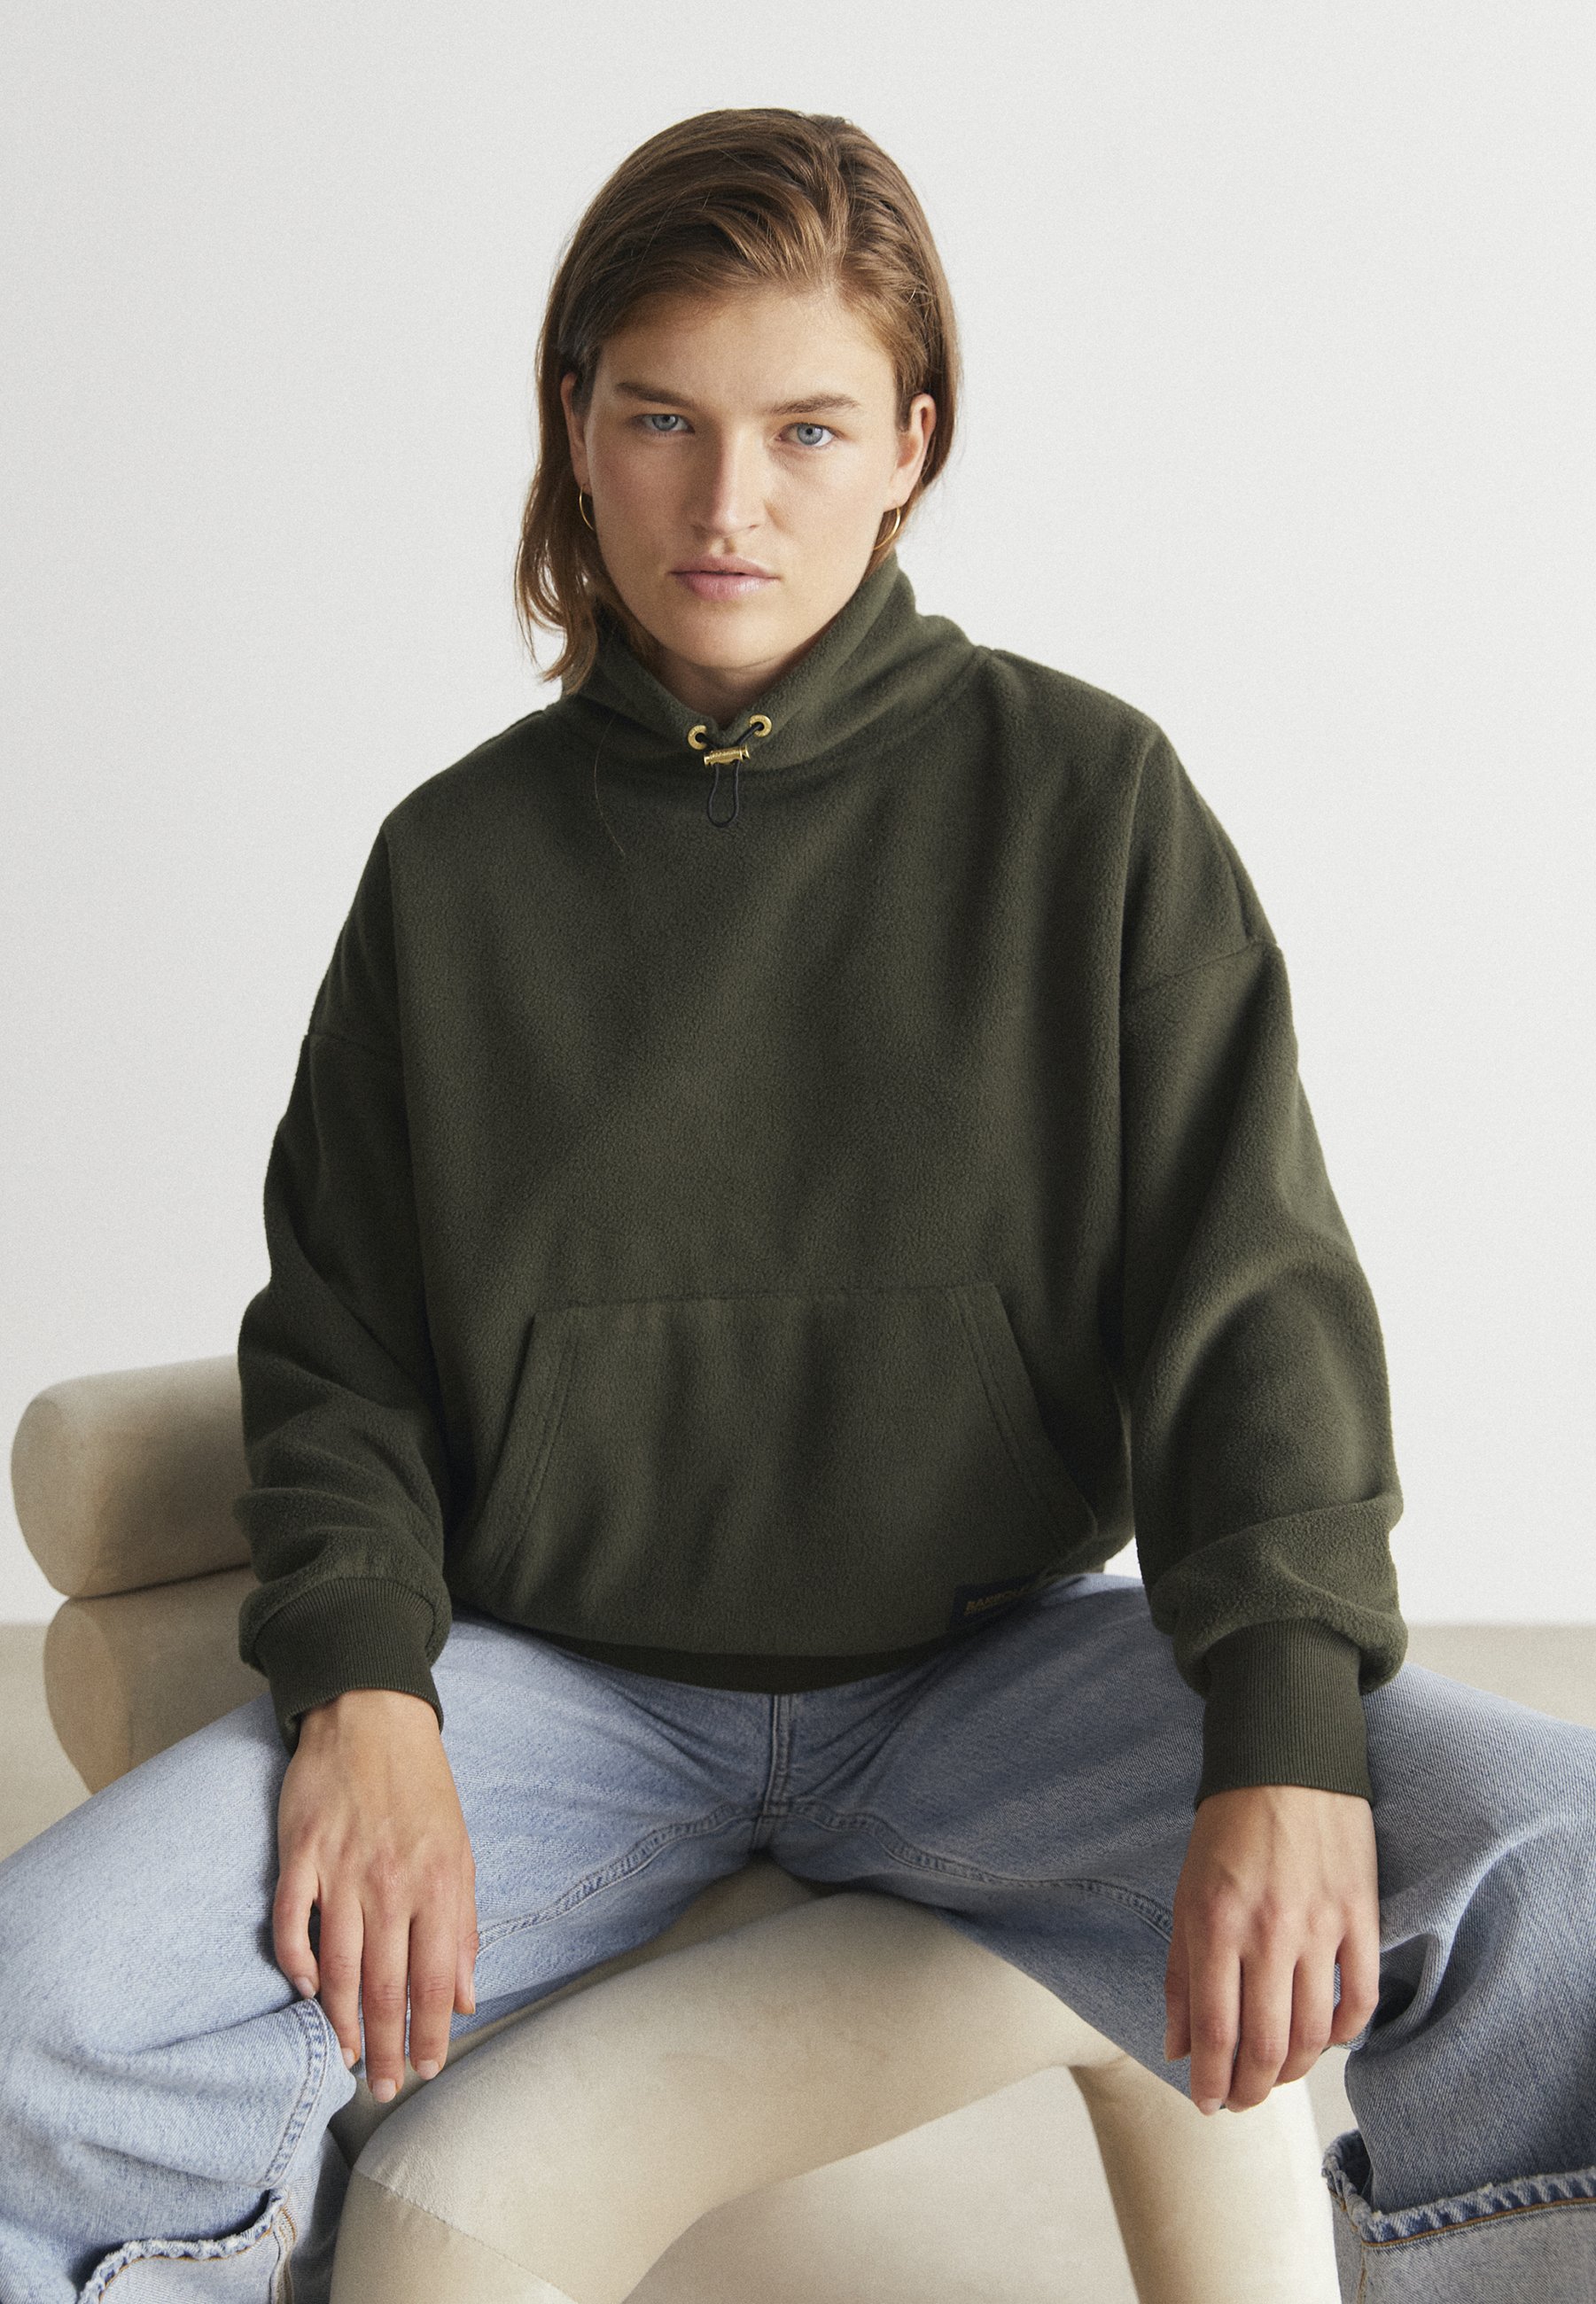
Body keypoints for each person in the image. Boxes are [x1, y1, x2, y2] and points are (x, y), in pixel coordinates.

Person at [3, 104, 1594, 2304]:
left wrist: (1288, 1732)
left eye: (805, 429)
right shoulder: (453, 871)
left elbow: (1251, 1309)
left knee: (1559, 1873)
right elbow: (343, 1342)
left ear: (910, 445)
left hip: (994, 1687)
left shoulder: (1089, 804)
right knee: (41, 2003)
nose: (726, 501)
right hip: (558, 1698)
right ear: (577, 425)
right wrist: (369, 1692)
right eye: (661, 418)